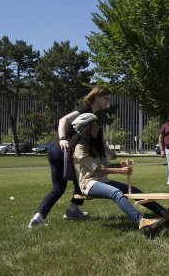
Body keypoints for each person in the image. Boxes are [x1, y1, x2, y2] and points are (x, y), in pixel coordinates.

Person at [70, 113, 169, 233]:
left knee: (135, 190)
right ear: (84, 129)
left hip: (103, 180)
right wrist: (120, 171)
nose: (97, 129)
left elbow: (108, 165)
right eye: (93, 126)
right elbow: (96, 169)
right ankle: (141, 221)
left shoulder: (97, 146)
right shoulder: (80, 148)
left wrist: (121, 166)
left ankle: (165, 213)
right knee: (116, 193)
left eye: (96, 126)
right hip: (88, 184)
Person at [29, 85, 115, 228]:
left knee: (58, 188)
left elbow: (96, 138)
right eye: (106, 98)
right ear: (96, 97)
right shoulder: (85, 109)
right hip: (64, 149)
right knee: (85, 180)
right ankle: (72, 211)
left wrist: (109, 151)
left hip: (54, 150)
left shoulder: (91, 113)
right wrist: (63, 138)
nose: (108, 102)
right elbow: (63, 120)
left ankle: (38, 218)